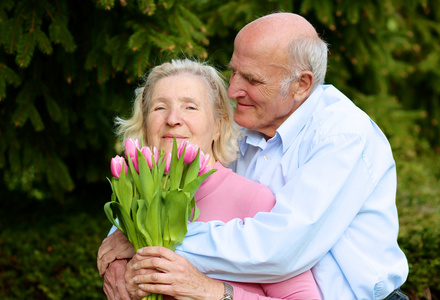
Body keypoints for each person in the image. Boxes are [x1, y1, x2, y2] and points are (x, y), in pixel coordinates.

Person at [98, 12, 409, 300]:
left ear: (301, 85)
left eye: (252, 80)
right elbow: (168, 180)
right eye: (234, 72)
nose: (233, 91)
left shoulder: (342, 136)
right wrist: (121, 247)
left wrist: (153, 242)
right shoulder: (249, 121)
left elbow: (280, 248)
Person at [101, 58, 321, 300]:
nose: (173, 119)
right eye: (159, 107)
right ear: (144, 126)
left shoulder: (252, 200)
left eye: (190, 107)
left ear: (218, 125)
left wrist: (212, 292)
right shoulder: (131, 200)